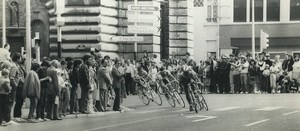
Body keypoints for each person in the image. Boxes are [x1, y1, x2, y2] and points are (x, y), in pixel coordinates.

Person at [10, 53, 25, 123]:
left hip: (19, 85)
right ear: (17, 58)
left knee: (19, 101)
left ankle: (18, 115)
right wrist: (15, 86)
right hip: (16, 86)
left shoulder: (17, 66)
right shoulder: (14, 67)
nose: (21, 59)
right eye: (20, 58)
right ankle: (15, 116)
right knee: (17, 101)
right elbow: (12, 78)